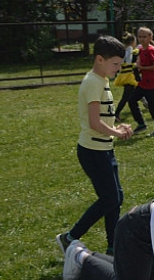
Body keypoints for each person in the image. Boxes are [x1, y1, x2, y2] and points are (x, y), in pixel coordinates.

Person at [57, 35, 134, 257]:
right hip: (93, 151)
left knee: (116, 197)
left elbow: (104, 115)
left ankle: (113, 247)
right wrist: (116, 133)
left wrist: (120, 125)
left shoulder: (102, 81)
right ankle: (70, 237)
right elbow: (93, 122)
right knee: (109, 198)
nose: (118, 69)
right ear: (100, 59)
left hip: (104, 149)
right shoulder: (93, 82)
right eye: (115, 64)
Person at [127, 26, 154, 136]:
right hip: (143, 83)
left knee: (153, 107)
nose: (142, 39)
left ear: (150, 37)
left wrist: (141, 68)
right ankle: (141, 124)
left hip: (151, 84)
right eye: (140, 36)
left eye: (144, 36)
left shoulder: (150, 50)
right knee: (132, 101)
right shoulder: (141, 50)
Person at [112, 32, 137, 123]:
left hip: (124, 74)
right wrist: (132, 63)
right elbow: (129, 60)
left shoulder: (122, 49)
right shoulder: (130, 49)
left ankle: (147, 104)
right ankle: (116, 113)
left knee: (137, 91)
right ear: (133, 41)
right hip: (129, 75)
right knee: (126, 96)